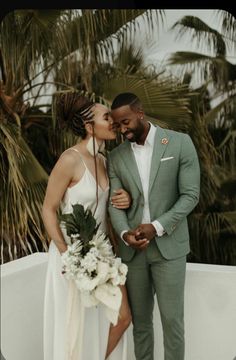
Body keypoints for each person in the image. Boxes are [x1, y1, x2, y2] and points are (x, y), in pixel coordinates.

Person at [107, 92, 200, 360]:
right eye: (118, 126)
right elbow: (116, 203)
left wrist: (157, 226)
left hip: (170, 249)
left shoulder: (180, 144)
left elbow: (190, 195)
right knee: (142, 326)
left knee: (172, 323)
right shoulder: (115, 157)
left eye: (125, 122)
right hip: (133, 253)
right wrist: (125, 234)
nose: (122, 130)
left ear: (140, 112)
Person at [42, 92, 132, 360]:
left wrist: (124, 198)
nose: (114, 121)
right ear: (89, 127)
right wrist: (66, 254)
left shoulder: (105, 162)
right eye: (107, 117)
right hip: (70, 256)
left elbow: (109, 207)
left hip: (102, 254)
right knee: (76, 327)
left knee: (122, 317)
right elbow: (48, 209)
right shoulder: (70, 159)